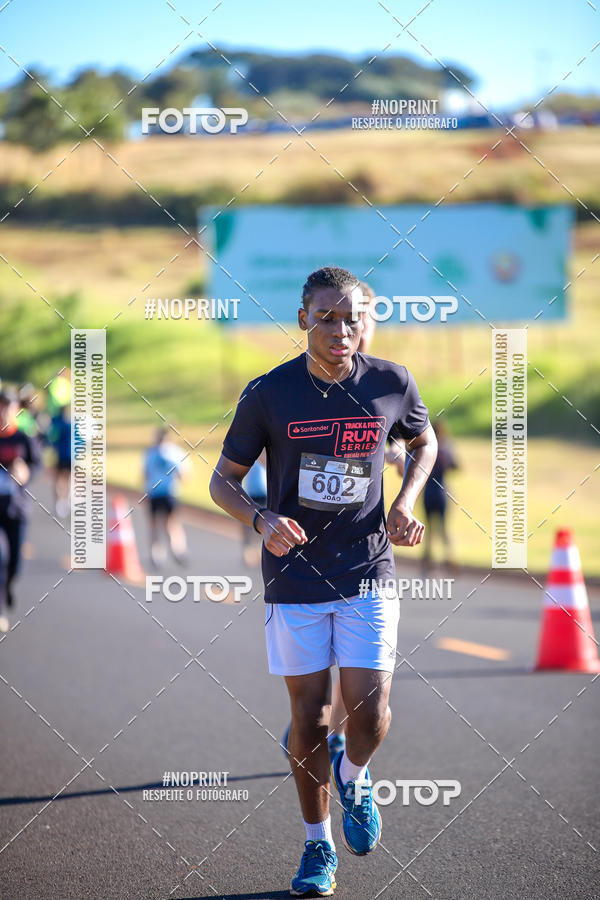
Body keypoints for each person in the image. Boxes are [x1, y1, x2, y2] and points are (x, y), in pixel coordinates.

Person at [210, 266, 437, 897]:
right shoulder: (269, 393)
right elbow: (222, 481)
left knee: (369, 710)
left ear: (366, 321)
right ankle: (318, 846)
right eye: (327, 318)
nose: (341, 331)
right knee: (308, 718)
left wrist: (405, 502)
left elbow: (424, 442)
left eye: (352, 318)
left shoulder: (391, 382)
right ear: (303, 319)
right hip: (295, 576)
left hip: (367, 567)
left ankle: (355, 775)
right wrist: (261, 518)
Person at [0, 388, 41, 632]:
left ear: (16, 410)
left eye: (9, 407)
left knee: (15, 563)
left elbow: (36, 465)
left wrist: (25, 474)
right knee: (0, 557)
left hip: (17, 509)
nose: (4, 412)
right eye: (1, 406)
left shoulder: (24, 438)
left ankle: (7, 588)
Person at [143, 428, 189, 566]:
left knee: (154, 525)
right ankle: (178, 550)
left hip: (154, 492)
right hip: (169, 492)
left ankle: (156, 554)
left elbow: (145, 474)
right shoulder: (176, 452)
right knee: (172, 524)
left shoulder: (150, 453)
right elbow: (184, 475)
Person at [422, 420, 458, 570]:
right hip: (441, 490)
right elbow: (455, 466)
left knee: (429, 527)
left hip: (428, 491)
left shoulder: (426, 447)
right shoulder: (445, 448)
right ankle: (449, 558)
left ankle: (427, 558)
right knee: (443, 526)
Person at [241, 454, 268, 566]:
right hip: (251, 494)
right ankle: (248, 551)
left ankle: (260, 552)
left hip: (264, 493)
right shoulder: (248, 457)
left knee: (264, 524)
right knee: (248, 525)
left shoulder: (265, 456)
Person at [47, 405, 72, 519]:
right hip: (70, 456)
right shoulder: (73, 425)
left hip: (61, 456)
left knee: (58, 480)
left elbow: (52, 440)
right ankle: (66, 500)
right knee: (67, 479)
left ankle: (60, 502)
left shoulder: (58, 425)